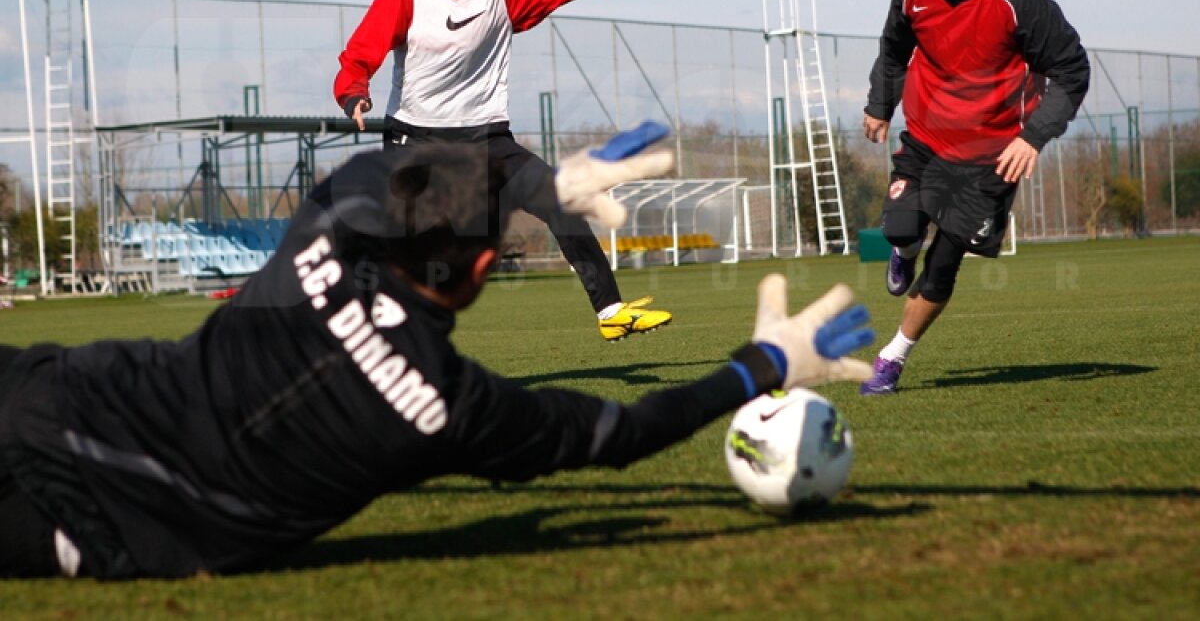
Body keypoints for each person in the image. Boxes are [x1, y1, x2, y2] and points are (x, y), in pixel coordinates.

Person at [0, 135, 875, 579]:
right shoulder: (452, 407)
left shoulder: (325, 238)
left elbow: (380, 173)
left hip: (51, 388)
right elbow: (625, 429)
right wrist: (764, 363)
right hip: (101, 526)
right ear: (486, 267)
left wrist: (534, 184)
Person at [334, 0, 683, 342]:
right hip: (417, 141)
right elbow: (363, 49)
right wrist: (353, 92)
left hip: (487, 139)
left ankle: (611, 310)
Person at [860, 0, 1090, 395]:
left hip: (993, 154)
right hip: (927, 136)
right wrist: (880, 103)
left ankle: (892, 358)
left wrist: (1032, 137)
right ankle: (903, 248)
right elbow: (894, 50)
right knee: (901, 228)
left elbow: (1073, 70)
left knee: (945, 263)